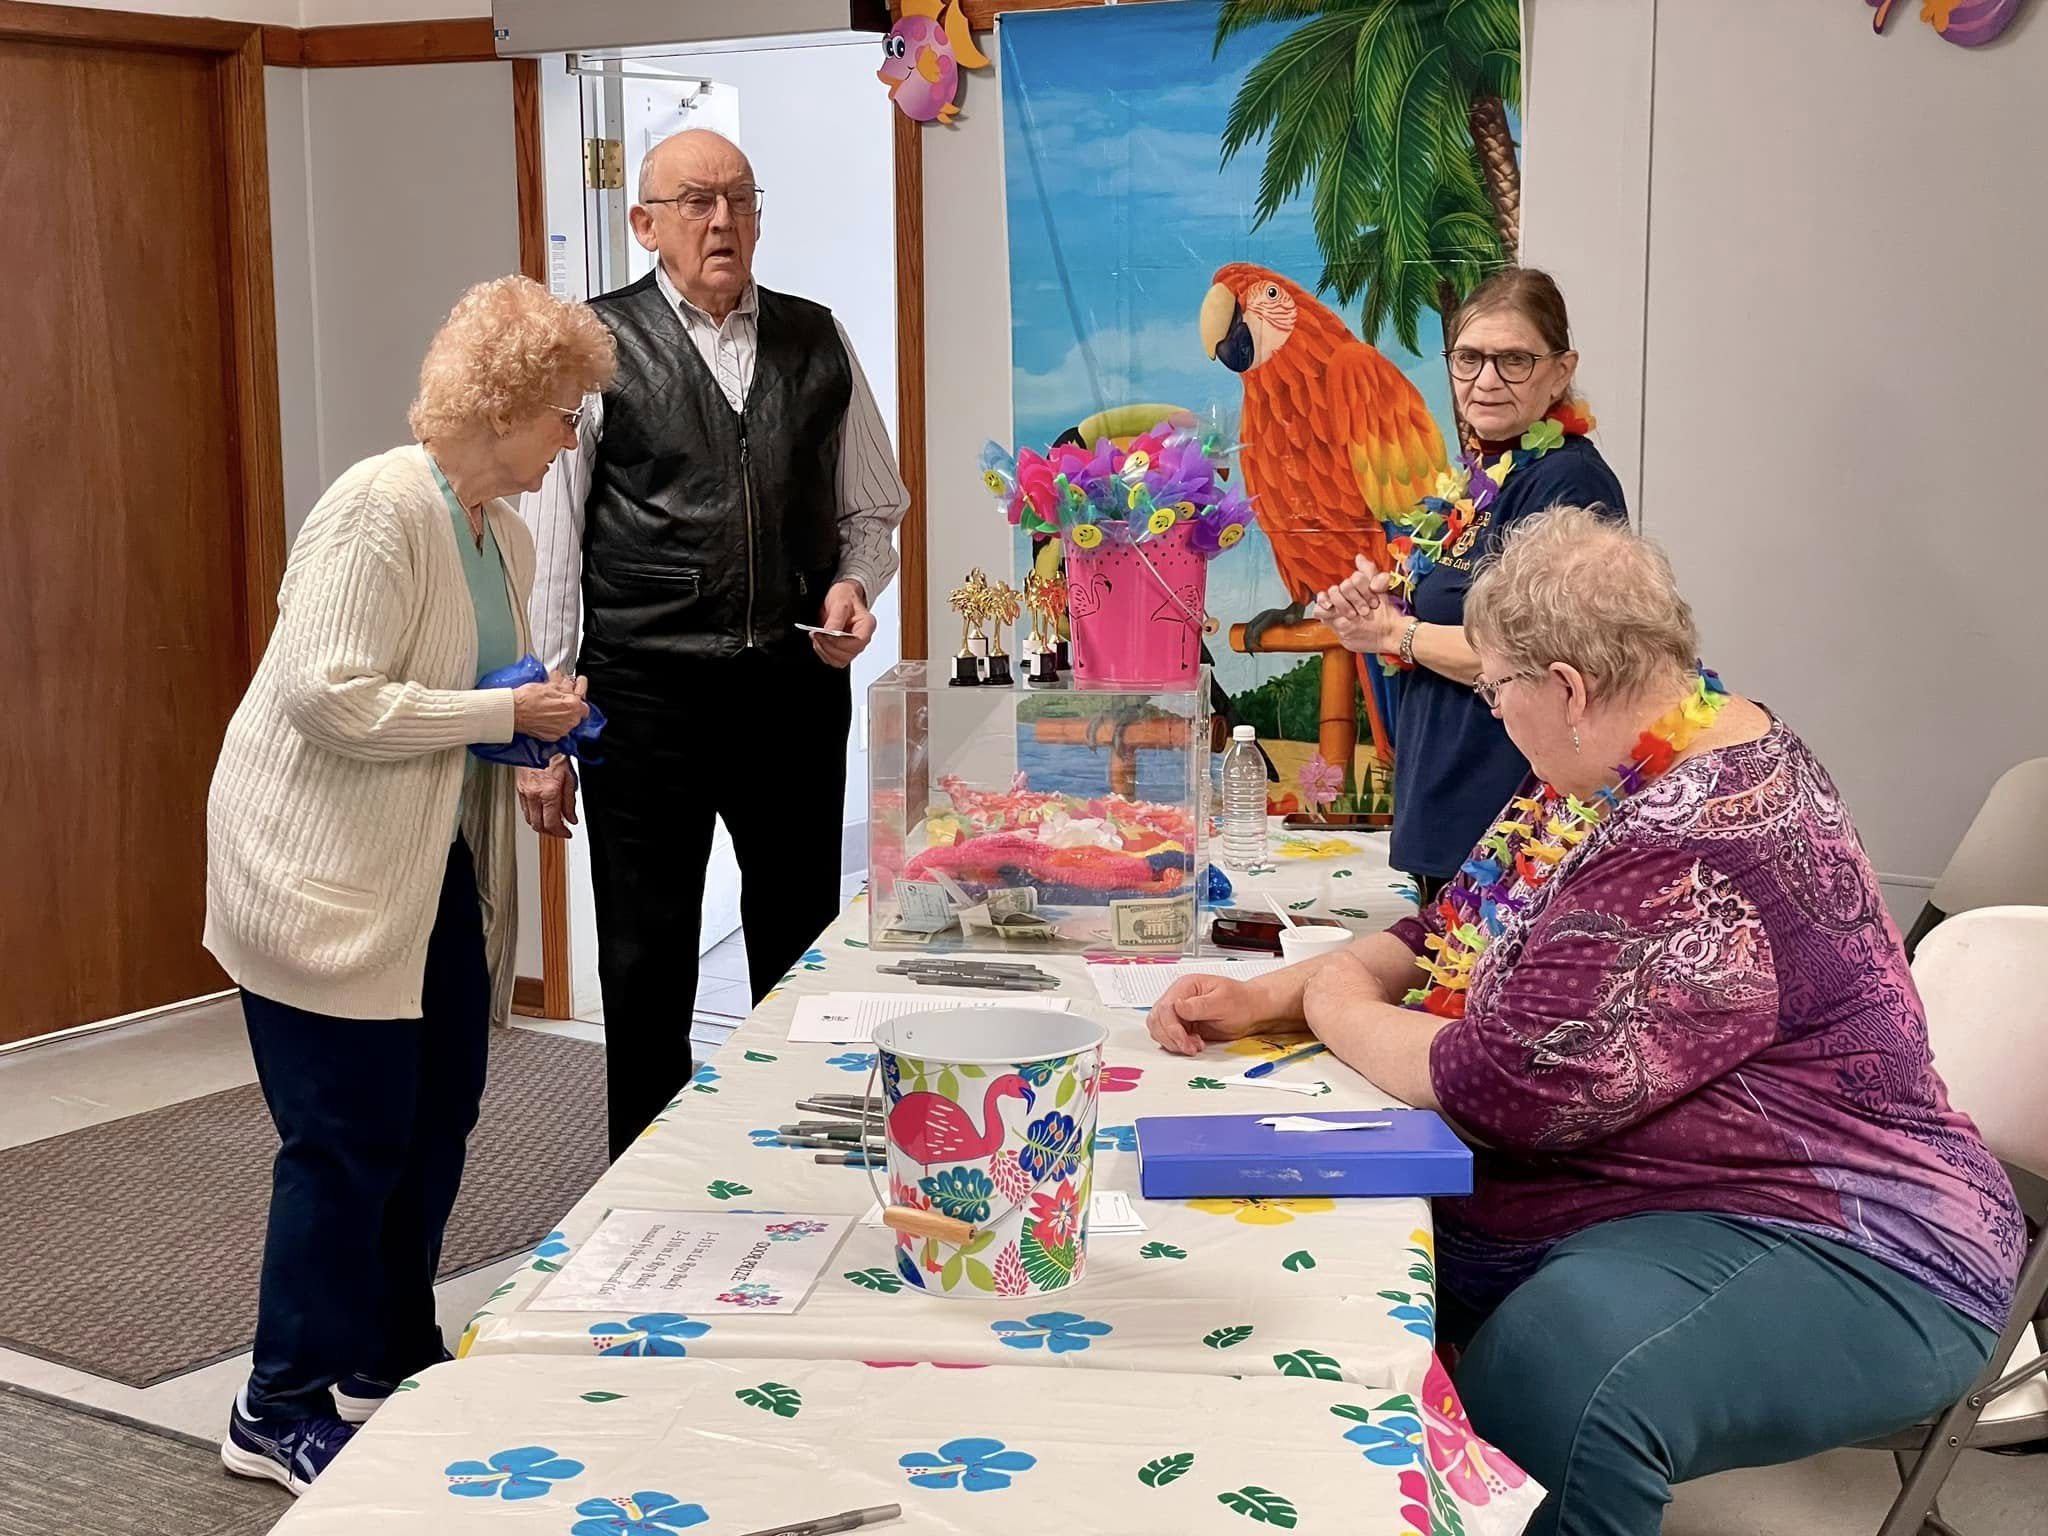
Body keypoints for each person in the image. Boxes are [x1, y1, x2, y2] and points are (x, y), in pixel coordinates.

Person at [1149, 508, 2022, 1536]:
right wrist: (1276, 992)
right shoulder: (1625, 745)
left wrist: (1332, 998)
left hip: (1858, 1237)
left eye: (1492, 690)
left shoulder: (1698, 831)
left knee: (1561, 1365)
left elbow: (1498, 1085)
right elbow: (1460, 920)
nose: (1491, 712)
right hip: (1699, 1193)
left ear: (1563, 686)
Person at [205, 276, 613, 1493]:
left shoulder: (505, 529)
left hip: (423, 873)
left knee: (435, 1116)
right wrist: (501, 708)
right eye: (562, 417)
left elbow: (453, 700)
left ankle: (389, 1350)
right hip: (315, 882)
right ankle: (274, 1405)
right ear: (508, 408)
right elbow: (327, 696)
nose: (570, 441)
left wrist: (533, 723)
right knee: (341, 1143)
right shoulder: (376, 510)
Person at [520, 129, 908, 1161]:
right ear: (644, 222)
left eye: (737, 197)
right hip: (642, 703)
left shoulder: (815, 340)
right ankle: (644, 1188)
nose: (721, 220)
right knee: (645, 965)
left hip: (789, 688)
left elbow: (875, 507)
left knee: (797, 950)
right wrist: (548, 721)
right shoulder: (594, 346)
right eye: (694, 201)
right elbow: (556, 542)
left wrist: (852, 587)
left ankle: (805, 1169)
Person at [1315, 269, 1625, 903]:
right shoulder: (1484, 475)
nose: (1486, 380)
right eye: (1469, 358)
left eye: (1514, 360)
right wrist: (1380, 606)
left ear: (1561, 371)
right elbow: (1445, 620)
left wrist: (1396, 634)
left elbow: (1537, 660)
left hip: (1516, 829)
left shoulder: (1567, 484)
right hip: (1450, 821)